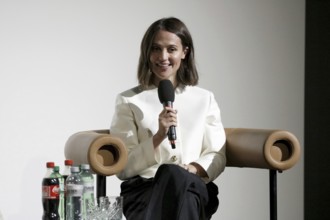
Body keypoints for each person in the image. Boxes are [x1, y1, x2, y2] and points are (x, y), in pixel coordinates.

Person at [110, 17, 226, 220]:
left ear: (184, 52)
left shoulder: (204, 99)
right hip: (145, 192)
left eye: (171, 49)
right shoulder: (129, 100)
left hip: (195, 185)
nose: (163, 57)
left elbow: (217, 153)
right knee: (178, 187)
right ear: (147, 53)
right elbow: (123, 166)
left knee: (179, 180)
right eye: (156, 49)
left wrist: (192, 169)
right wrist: (157, 137)